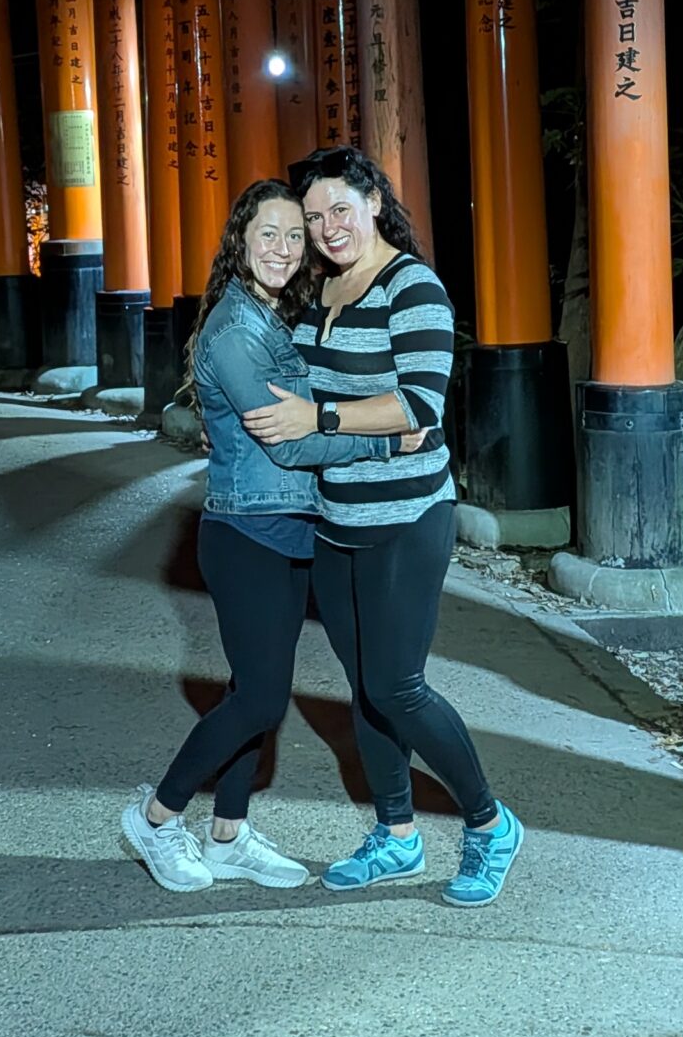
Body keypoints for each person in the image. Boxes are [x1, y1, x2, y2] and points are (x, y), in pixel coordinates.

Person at [243, 146, 524, 908]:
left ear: (373, 200)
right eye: (313, 218)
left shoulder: (414, 289)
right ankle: (397, 836)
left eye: (341, 208)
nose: (328, 228)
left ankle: (489, 823)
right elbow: (293, 388)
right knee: (365, 690)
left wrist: (321, 418)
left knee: (399, 686)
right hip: (336, 518)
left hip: (407, 517)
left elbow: (419, 408)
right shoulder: (321, 289)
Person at [121, 178, 412, 896]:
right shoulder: (236, 332)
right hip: (249, 532)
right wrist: (384, 444)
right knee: (258, 700)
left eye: (293, 235)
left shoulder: (280, 316)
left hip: (290, 531)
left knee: (261, 689)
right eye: (268, 235)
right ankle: (157, 818)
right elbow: (288, 444)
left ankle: (228, 836)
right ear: (241, 243)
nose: (283, 248)